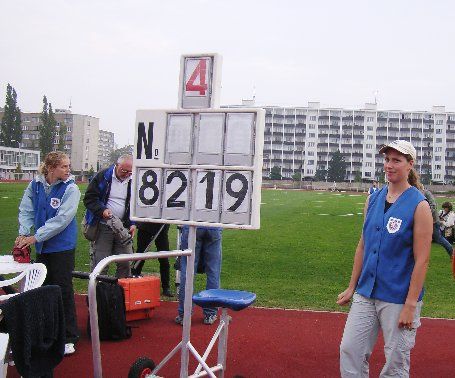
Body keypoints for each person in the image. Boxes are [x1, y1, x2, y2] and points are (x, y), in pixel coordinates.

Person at [337, 140, 433, 377]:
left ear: (410, 165)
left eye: (396, 161)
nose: (389, 165)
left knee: (395, 362)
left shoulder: (419, 205)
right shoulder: (373, 199)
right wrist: (352, 287)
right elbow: (363, 246)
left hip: (398, 297)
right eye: (387, 160)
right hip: (366, 293)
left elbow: (422, 260)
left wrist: (411, 305)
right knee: (350, 350)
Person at [15, 151, 80, 356]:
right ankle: (48, 332)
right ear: (51, 168)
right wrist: (24, 233)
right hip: (44, 247)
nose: (68, 170)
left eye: (69, 166)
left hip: (61, 246)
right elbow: (26, 210)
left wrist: (35, 237)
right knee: (43, 289)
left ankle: (69, 336)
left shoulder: (71, 188)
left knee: (63, 289)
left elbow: (62, 219)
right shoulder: (35, 185)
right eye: (64, 166)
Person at [83, 154, 136, 277]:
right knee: (100, 264)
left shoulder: (135, 180)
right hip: (103, 226)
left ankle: (120, 293)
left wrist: (133, 223)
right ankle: (98, 293)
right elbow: (89, 198)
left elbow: (136, 203)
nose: (127, 174)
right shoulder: (102, 176)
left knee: (126, 263)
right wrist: (102, 210)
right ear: (116, 165)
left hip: (123, 227)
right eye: (124, 170)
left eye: (130, 172)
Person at [175, 226, 222, 325]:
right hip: (214, 226)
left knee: (188, 271)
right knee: (213, 272)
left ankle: (184, 314)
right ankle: (210, 314)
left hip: (193, 225)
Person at [132, 222, 173, 297]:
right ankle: (133, 279)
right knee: (140, 255)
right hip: (145, 226)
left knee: (164, 258)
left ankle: (166, 287)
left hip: (162, 228)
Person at [423, 191, 454, 258]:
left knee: (439, 239)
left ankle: (452, 253)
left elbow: (433, 206)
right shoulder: (417, 192)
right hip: (427, 221)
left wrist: (424, 214)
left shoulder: (426, 193)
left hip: (433, 221)